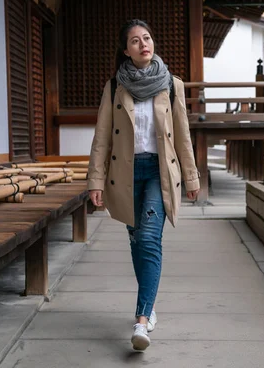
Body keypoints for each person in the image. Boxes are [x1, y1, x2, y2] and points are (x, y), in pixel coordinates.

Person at [87, 19, 200, 352]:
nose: (143, 44)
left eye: (147, 38)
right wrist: (95, 180)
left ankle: (141, 321)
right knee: (137, 242)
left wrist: (191, 177)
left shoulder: (172, 85)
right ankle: (149, 306)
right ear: (126, 51)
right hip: (124, 174)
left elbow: (182, 136)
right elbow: (102, 138)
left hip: (158, 173)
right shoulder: (114, 88)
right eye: (135, 41)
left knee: (150, 237)